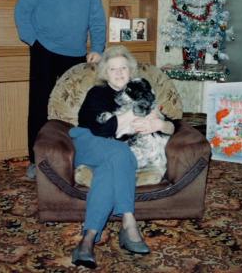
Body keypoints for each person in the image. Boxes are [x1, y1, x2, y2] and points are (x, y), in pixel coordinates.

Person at [68, 46, 175, 269]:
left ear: (130, 71)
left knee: (108, 172)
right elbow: (103, 130)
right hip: (89, 142)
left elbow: (174, 126)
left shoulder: (141, 92)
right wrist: (135, 112)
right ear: (105, 73)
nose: (118, 73)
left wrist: (158, 123)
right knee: (120, 151)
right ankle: (128, 221)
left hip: (113, 155)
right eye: (113, 69)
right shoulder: (97, 94)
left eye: (123, 68)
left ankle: (87, 240)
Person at [14, 0, 106, 179]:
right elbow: (22, 11)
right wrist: (34, 42)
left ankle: (73, 158)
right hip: (45, 51)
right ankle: (36, 161)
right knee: (39, 108)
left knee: (76, 108)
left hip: (76, 55)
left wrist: (97, 48)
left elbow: (97, 19)